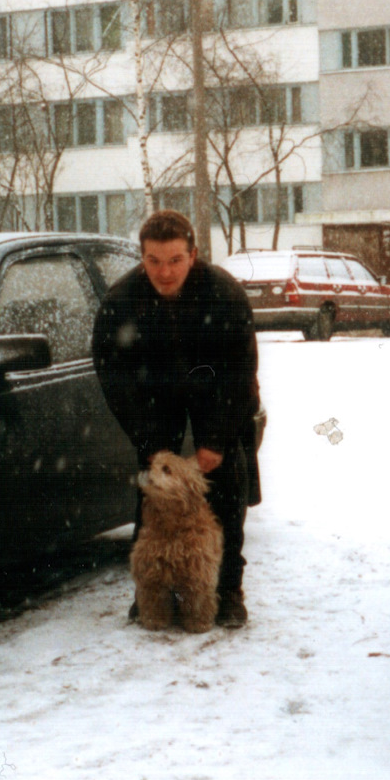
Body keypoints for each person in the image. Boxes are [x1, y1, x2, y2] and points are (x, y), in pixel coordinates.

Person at [91, 210, 260, 628]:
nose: (164, 273)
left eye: (175, 260)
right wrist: (148, 443)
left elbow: (241, 373)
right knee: (153, 490)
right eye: (153, 261)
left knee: (225, 487)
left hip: (216, 387)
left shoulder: (224, 295)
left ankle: (227, 590)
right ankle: (149, 589)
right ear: (141, 257)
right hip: (155, 391)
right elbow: (114, 378)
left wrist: (216, 440)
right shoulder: (121, 302)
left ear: (193, 255)